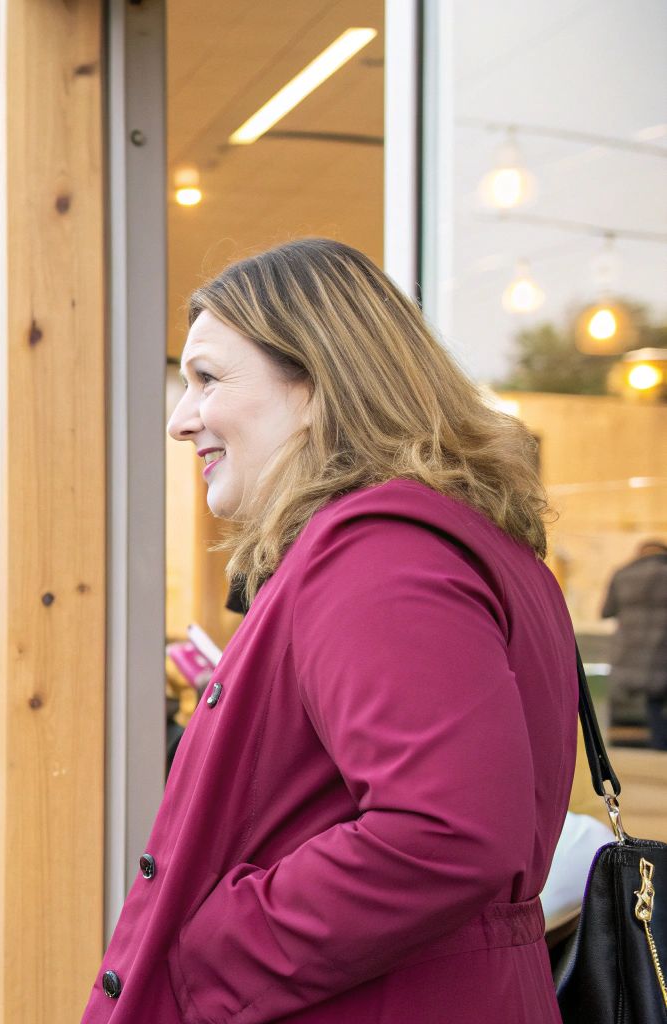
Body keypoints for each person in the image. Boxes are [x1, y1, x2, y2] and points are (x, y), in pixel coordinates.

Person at [86, 239, 576, 1023]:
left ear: (318, 385)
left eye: (207, 378)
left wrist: (210, 954)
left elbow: (446, 830)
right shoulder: (444, 542)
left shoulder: (380, 554)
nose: (182, 421)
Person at [602, 539, 667, 748]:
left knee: (648, 703)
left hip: (632, 654)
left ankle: (653, 746)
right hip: (663, 649)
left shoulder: (622, 574)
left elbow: (606, 611)